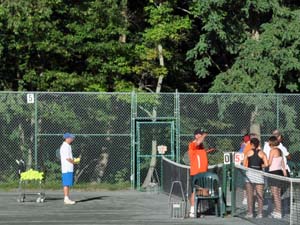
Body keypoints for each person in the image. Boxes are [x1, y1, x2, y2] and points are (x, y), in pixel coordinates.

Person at [188, 128, 215, 218]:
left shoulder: (202, 147)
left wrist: (210, 151)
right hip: (196, 173)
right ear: (196, 136)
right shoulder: (192, 144)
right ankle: (192, 210)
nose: (202, 136)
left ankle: (198, 209)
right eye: (200, 134)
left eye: (202, 134)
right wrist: (205, 134)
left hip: (203, 173)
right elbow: (198, 142)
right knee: (194, 192)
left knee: (203, 192)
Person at [243, 138, 268, 218]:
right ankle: (260, 213)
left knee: (249, 195)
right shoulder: (262, 153)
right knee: (259, 195)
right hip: (259, 175)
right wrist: (260, 165)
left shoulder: (248, 152)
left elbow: (244, 164)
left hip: (250, 174)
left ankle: (250, 213)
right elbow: (266, 164)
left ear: (252, 144)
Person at [268, 136, 287, 219]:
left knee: (275, 194)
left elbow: (269, 163)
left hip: (274, 173)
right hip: (279, 173)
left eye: (269, 142)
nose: (268, 143)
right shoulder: (280, 150)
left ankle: (278, 212)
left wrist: (261, 163)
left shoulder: (272, 151)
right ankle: (276, 210)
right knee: (277, 193)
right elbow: (282, 163)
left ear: (271, 142)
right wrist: (284, 172)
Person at [60, 132, 78, 205]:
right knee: (66, 184)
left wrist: (74, 160)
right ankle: (66, 198)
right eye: (71, 138)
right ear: (67, 138)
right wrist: (74, 162)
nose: (72, 139)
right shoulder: (65, 146)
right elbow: (67, 158)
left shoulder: (68, 146)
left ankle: (66, 198)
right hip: (66, 168)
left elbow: (69, 157)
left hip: (69, 167)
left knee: (67, 184)